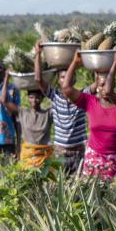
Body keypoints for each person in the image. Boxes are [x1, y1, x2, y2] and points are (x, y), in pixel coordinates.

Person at [59, 52, 116, 180]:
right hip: (95, 158)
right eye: (101, 85)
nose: (105, 88)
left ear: (113, 84)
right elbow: (66, 88)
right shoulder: (90, 101)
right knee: (94, 196)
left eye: (108, 84)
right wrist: (75, 63)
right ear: (97, 86)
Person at [34, 43, 88, 174]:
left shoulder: (83, 97)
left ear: (74, 79)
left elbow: (98, 84)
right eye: (62, 77)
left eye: (68, 77)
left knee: (79, 190)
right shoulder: (54, 96)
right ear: (58, 81)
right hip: (60, 153)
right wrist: (38, 54)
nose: (66, 80)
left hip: (79, 152)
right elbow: (38, 79)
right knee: (60, 189)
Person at [18, 88, 54, 168]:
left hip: (44, 157)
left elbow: (59, 103)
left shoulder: (48, 114)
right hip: (27, 157)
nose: (34, 100)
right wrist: (7, 78)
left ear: (42, 98)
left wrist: (50, 88)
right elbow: (4, 101)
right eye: (31, 97)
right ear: (28, 98)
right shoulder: (22, 113)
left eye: (37, 97)